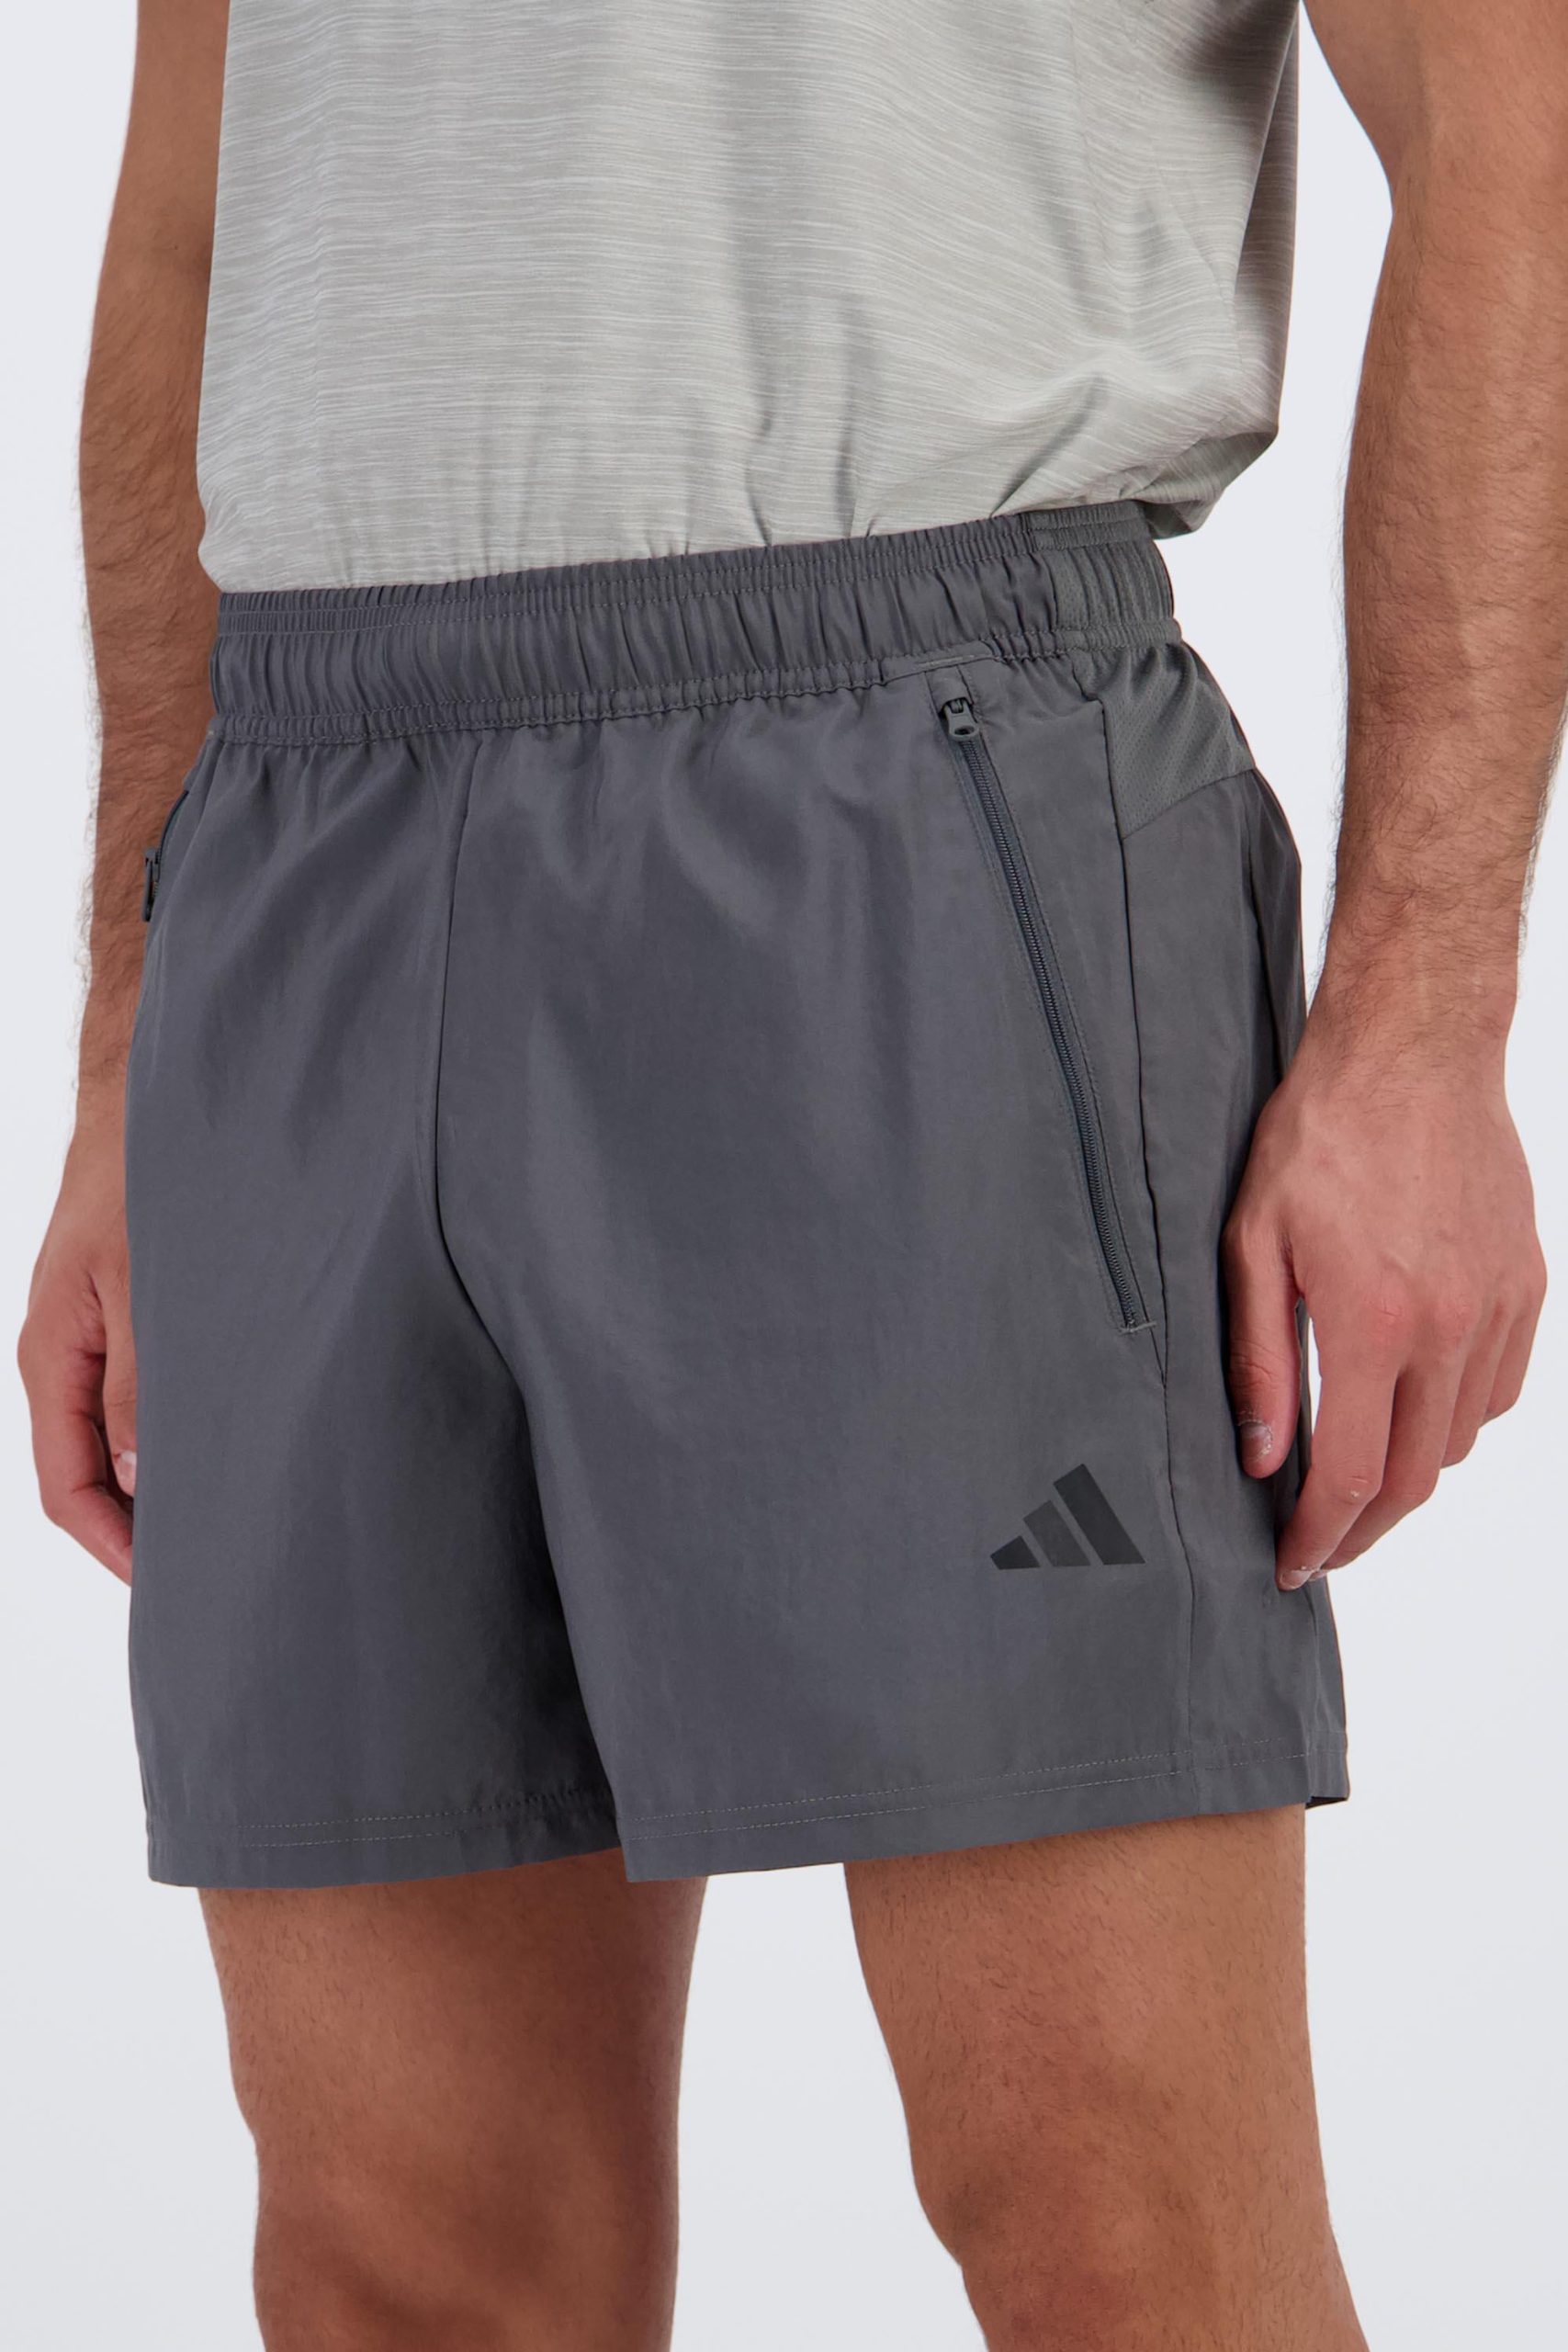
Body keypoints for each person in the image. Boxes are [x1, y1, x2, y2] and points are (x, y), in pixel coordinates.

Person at [18, 0, 1562, 2344]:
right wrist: (130, 1038)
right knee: (397, 2263)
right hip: (302, 832)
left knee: (1110, 2220)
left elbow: (1502, 125)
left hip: (913, 763)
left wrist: (1423, 1018)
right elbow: (182, 223)